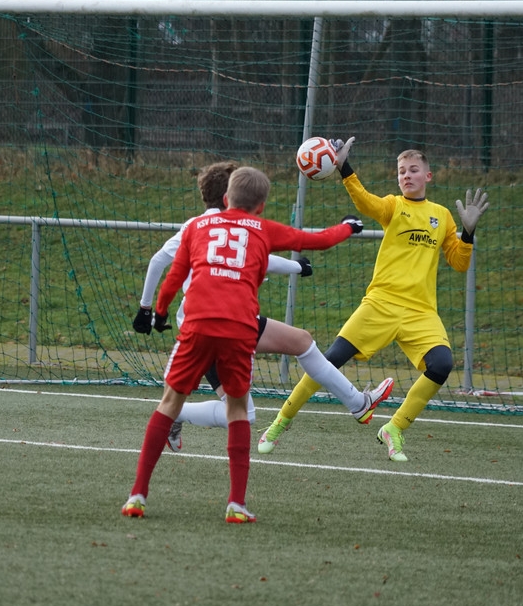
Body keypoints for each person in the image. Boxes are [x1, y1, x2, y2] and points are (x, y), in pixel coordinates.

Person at [121, 166, 377, 523]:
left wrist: (159, 312)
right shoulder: (261, 228)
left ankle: (137, 496)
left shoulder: (196, 227)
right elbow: (316, 240)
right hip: (239, 330)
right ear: (261, 206)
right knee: (240, 412)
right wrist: (348, 226)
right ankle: (236, 505)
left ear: (227, 198)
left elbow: (174, 276)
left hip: (196, 327)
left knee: (168, 403)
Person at [257, 139, 490, 462]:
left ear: (428, 176)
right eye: (401, 171)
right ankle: (278, 423)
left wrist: (468, 232)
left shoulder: (442, 216)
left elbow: (459, 262)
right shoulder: (394, 206)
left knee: (441, 365)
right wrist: (344, 168)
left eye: (413, 170)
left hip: (421, 312)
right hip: (380, 303)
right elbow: (366, 203)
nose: (406, 176)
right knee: (328, 360)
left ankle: (394, 428)